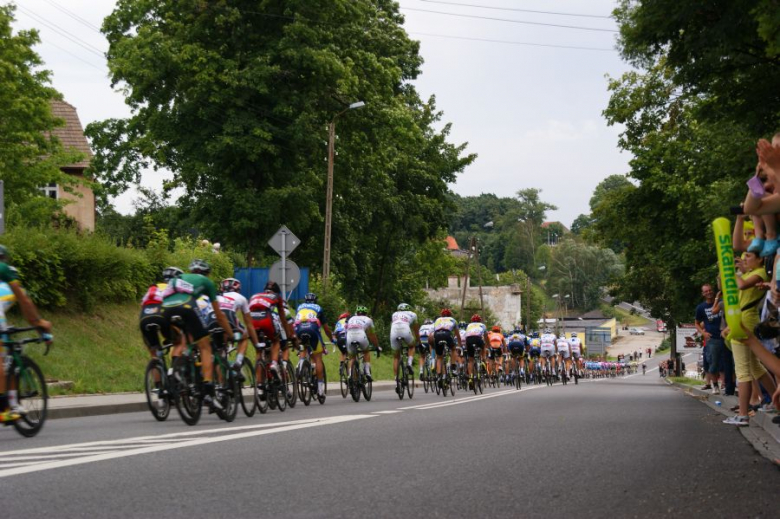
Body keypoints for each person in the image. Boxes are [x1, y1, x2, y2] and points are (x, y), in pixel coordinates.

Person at [162, 259, 234, 411]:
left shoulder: (179, 278)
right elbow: (219, 315)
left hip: (165, 309)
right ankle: (208, 389)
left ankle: (177, 370)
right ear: (207, 273)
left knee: (182, 341)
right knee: (205, 346)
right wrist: (230, 333)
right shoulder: (207, 283)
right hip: (187, 307)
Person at [721, 251, 778, 426]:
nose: (743, 259)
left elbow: (741, 285)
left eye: (748, 257)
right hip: (743, 317)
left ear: (761, 259)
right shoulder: (749, 273)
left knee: (743, 369)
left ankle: (743, 413)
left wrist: (730, 270)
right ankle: (774, 402)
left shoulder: (759, 273)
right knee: (755, 367)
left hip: (746, 319)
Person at [0, 246, 52, 423]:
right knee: (2, 355)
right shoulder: (6, 272)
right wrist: (39, 324)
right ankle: (5, 408)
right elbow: (24, 300)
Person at [249, 281, 295, 379]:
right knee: (277, 343)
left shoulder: (256, 297)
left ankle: (259, 383)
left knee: (259, 351)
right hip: (268, 322)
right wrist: (288, 335)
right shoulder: (277, 299)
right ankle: (275, 365)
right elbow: (283, 318)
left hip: (253, 322)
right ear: (277, 292)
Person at [294, 292, 333, 400]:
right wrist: (331, 338)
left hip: (298, 329)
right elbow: (325, 328)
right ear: (315, 301)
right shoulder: (318, 308)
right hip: (312, 330)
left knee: (303, 346)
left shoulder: (299, 307)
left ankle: (301, 362)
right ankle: (320, 390)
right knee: (318, 358)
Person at [217, 278, 260, 374]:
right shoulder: (241, 298)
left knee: (219, 353)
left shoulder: (217, 296)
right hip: (229, 318)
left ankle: (220, 385)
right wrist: (256, 343)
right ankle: (238, 361)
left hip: (213, 320)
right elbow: (249, 324)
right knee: (244, 336)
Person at [695, 284, 725, 394]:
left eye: (710, 290)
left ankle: (727, 385)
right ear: (703, 294)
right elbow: (697, 323)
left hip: (725, 335)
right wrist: (703, 333)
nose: (708, 292)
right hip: (712, 338)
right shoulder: (701, 307)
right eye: (706, 291)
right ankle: (715, 386)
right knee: (713, 363)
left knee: (728, 362)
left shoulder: (722, 302)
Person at [346, 305, 379, 381]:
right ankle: (367, 372)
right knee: (366, 352)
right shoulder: (368, 319)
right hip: (361, 335)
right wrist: (376, 346)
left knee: (352, 358)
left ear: (356, 313)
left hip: (350, 336)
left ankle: (350, 375)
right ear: (366, 313)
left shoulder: (351, 318)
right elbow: (372, 335)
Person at [389, 303, 419, 387]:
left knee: (396, 357)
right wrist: (418, 342)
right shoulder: (413, 314)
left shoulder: (394, 314)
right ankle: (409, 363)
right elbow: (416, 330)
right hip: (406, 331)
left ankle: (396, 378)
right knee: (411, 346)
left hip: (394, 332)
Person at [432, 308, 461, 387]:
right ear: (450, 315)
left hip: (437, 335)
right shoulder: (453, 320)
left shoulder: (437, 320)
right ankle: (453, 367)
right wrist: (459, 344)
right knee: (453, 349)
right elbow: (457, 334)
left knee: (439, 357)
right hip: (447, 334)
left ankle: (438, 376)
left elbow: (433, 331)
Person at [464, 314, 488, 387]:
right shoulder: (482, 325)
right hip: (478, 339)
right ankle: (483, 361)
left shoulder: (468, 325)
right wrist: (487, 345)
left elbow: (466, 336)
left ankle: (471, 377)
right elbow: (486, 336)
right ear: (480, 320)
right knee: (483, 347)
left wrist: (466, 346)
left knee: (471, 360)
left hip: (469, 340)